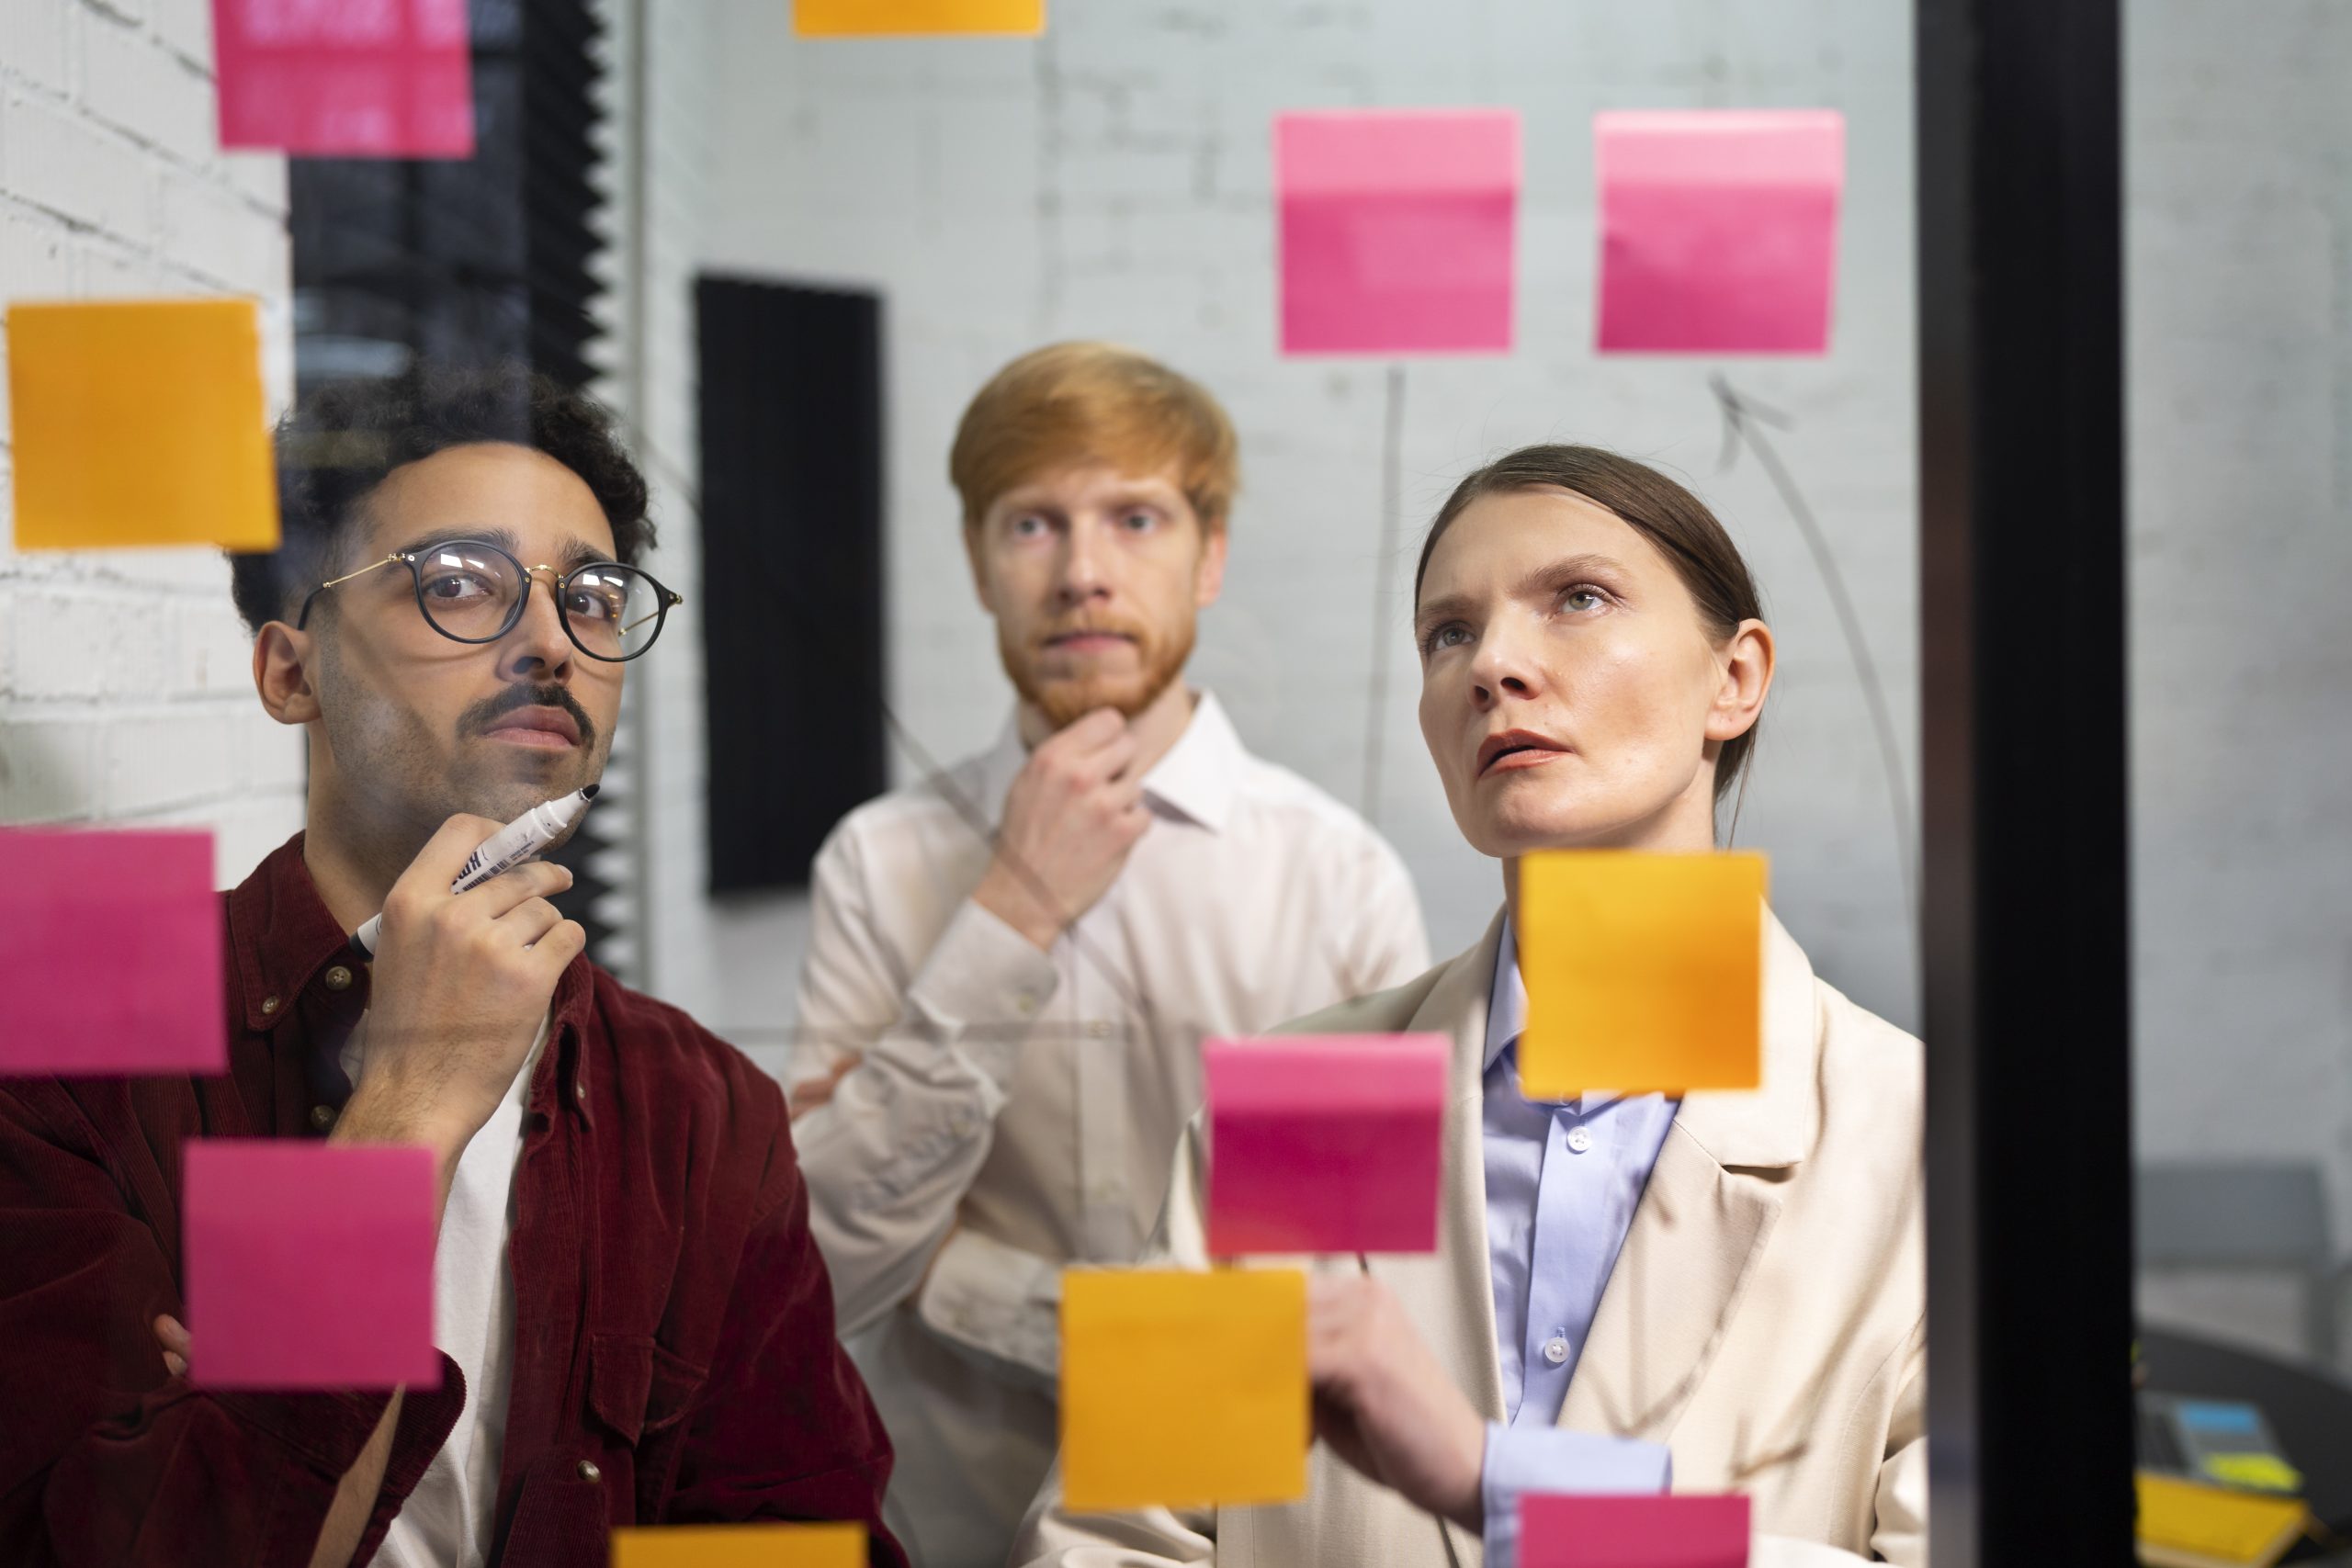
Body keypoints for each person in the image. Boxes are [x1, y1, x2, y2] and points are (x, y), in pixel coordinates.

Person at [0, 365, 905, 1568]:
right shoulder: (73, 1036)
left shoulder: (700, 1102)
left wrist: (252, 1367)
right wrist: (407, 1114)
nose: (550, 641)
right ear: (291, 670)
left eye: (590, 596)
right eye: (459, 583)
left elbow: (793, 1542)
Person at [1015, 445, 1925, 1567]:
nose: (1494, 663)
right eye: (1449, 633)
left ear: (1733, 680)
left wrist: (1500, 1486)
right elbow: (1107, 1540)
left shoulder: (1927, 1141)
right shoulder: (1292, 1107)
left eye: (1577, 600)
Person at [785, 342, 1431, 1568]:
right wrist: (1013, 909)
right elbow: (825, 1260)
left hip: (1238, 1521)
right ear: (978, 561)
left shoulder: (1333, 877)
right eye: (1033, 523)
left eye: (1136, 517)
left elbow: (1347, 1292)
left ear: (1212, 555)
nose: (1084, 573)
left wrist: (984, 1288)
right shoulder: (878, 862)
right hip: (943, 1515)